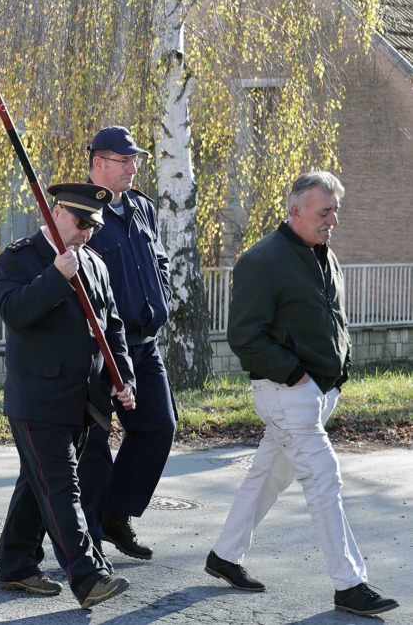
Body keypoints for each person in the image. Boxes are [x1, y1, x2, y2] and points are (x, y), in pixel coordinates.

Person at [206, 172, 399, 618]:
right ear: (295, 211)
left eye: (335, 211)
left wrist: (340, 369)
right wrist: (295, 376)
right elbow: (244, 336)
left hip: (316, 392)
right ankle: (349, 584)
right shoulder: (262, 260)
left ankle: (224, 556)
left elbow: (334, 317)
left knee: (267, 477)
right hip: (285, 393)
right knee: (323, 479)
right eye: (324, 211)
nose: (333, 220)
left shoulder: (321, 253)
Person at [0, 183, 135, 609]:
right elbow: (15, 313)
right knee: (62, 487)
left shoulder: (94, 262)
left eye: (94, 225)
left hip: (83, 398)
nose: (87, 232)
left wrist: (122, 377)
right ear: (55, 212)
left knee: (37, 483)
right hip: (38, 397)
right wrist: (56, 275)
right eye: (80, 222)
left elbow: (112, 328)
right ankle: (88, 577)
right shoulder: (18, 258)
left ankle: (16, 564)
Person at [77, 125, 176, 562]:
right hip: (99, 349)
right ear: (99, 163)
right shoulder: (79, 209)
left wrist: (163, 293)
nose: (133, 168)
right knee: (94, 446)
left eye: (135, 160)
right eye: (124, 161)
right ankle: (90, 539)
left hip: (143, 342)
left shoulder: (140, 207)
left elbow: (159, 259)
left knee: (159, 427)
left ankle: (117, 514)